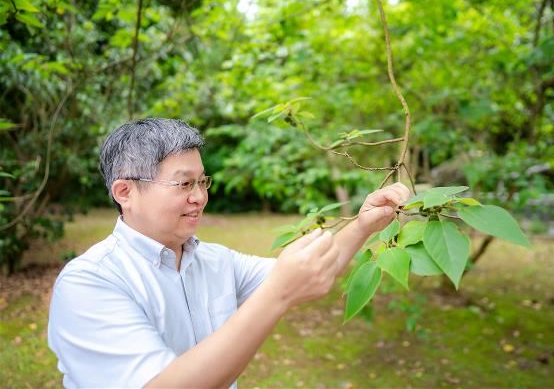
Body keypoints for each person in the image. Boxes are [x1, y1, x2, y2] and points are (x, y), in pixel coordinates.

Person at [47, 117, 411, 388]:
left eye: (202, 181)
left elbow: (313, 272)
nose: (199, 197)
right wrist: (277, 295)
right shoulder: (90, 282)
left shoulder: (215, 261)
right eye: (184, 183)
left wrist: (364, 225)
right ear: (125, 192)